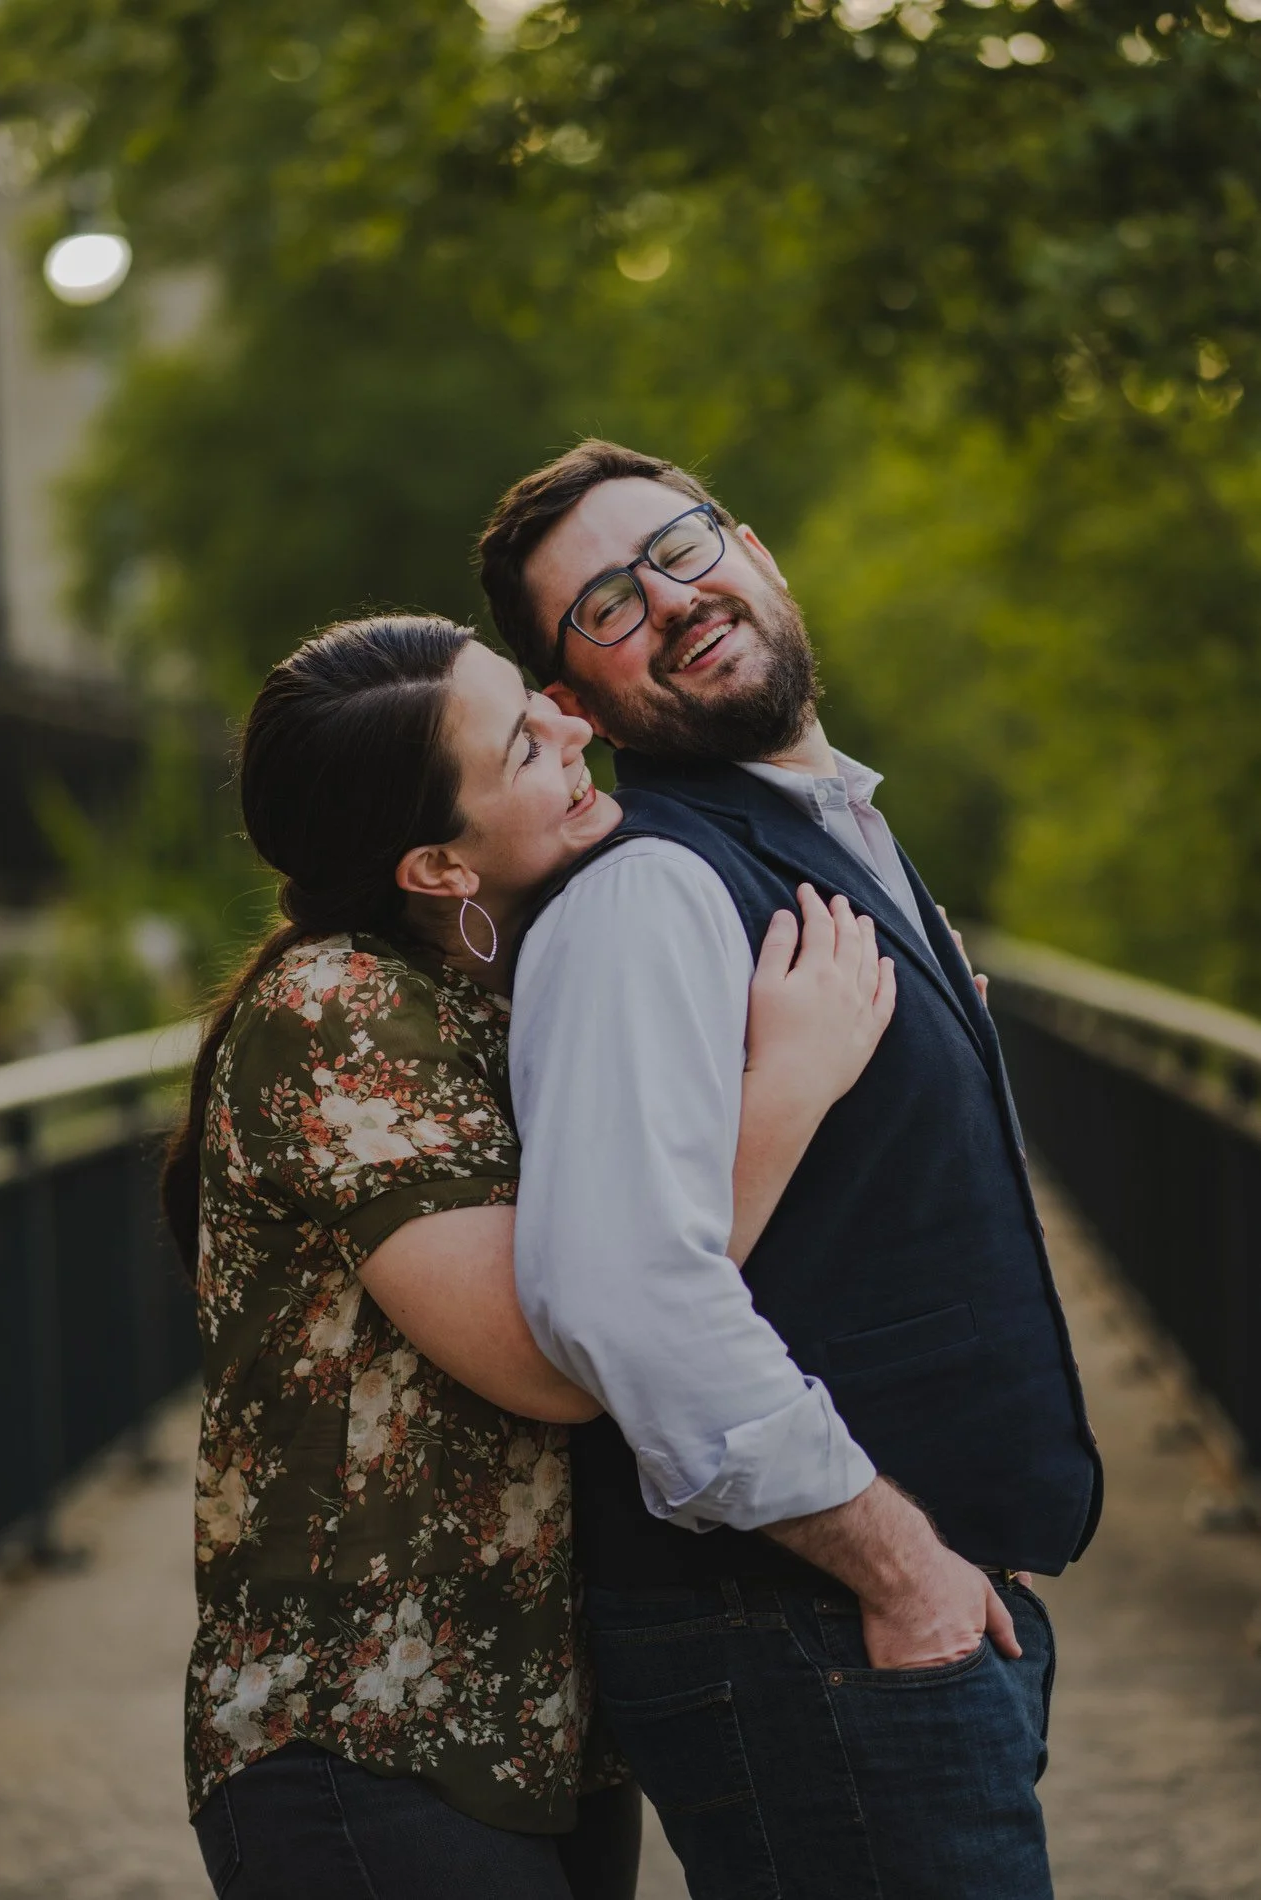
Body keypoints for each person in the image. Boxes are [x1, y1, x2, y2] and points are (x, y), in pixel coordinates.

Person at [162, 613, 897, 1900]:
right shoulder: (335, 1007)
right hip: (364, 1731)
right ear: (442, 866)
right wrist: (790, 1086)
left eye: (537, 701)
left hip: (533, 1725)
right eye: (520, 740)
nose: (569, 722)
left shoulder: (503, 986)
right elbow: (555, 1356)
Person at [478, 441, 1104, 1900]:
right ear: (569, 703)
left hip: (882, 1630)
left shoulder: (838, 843)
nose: (671, 600)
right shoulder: (648, 894)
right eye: (608, 607)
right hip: (810, 1627)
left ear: (754, 548)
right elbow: (620, 1295)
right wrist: (896, 1565)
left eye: (680, 549)